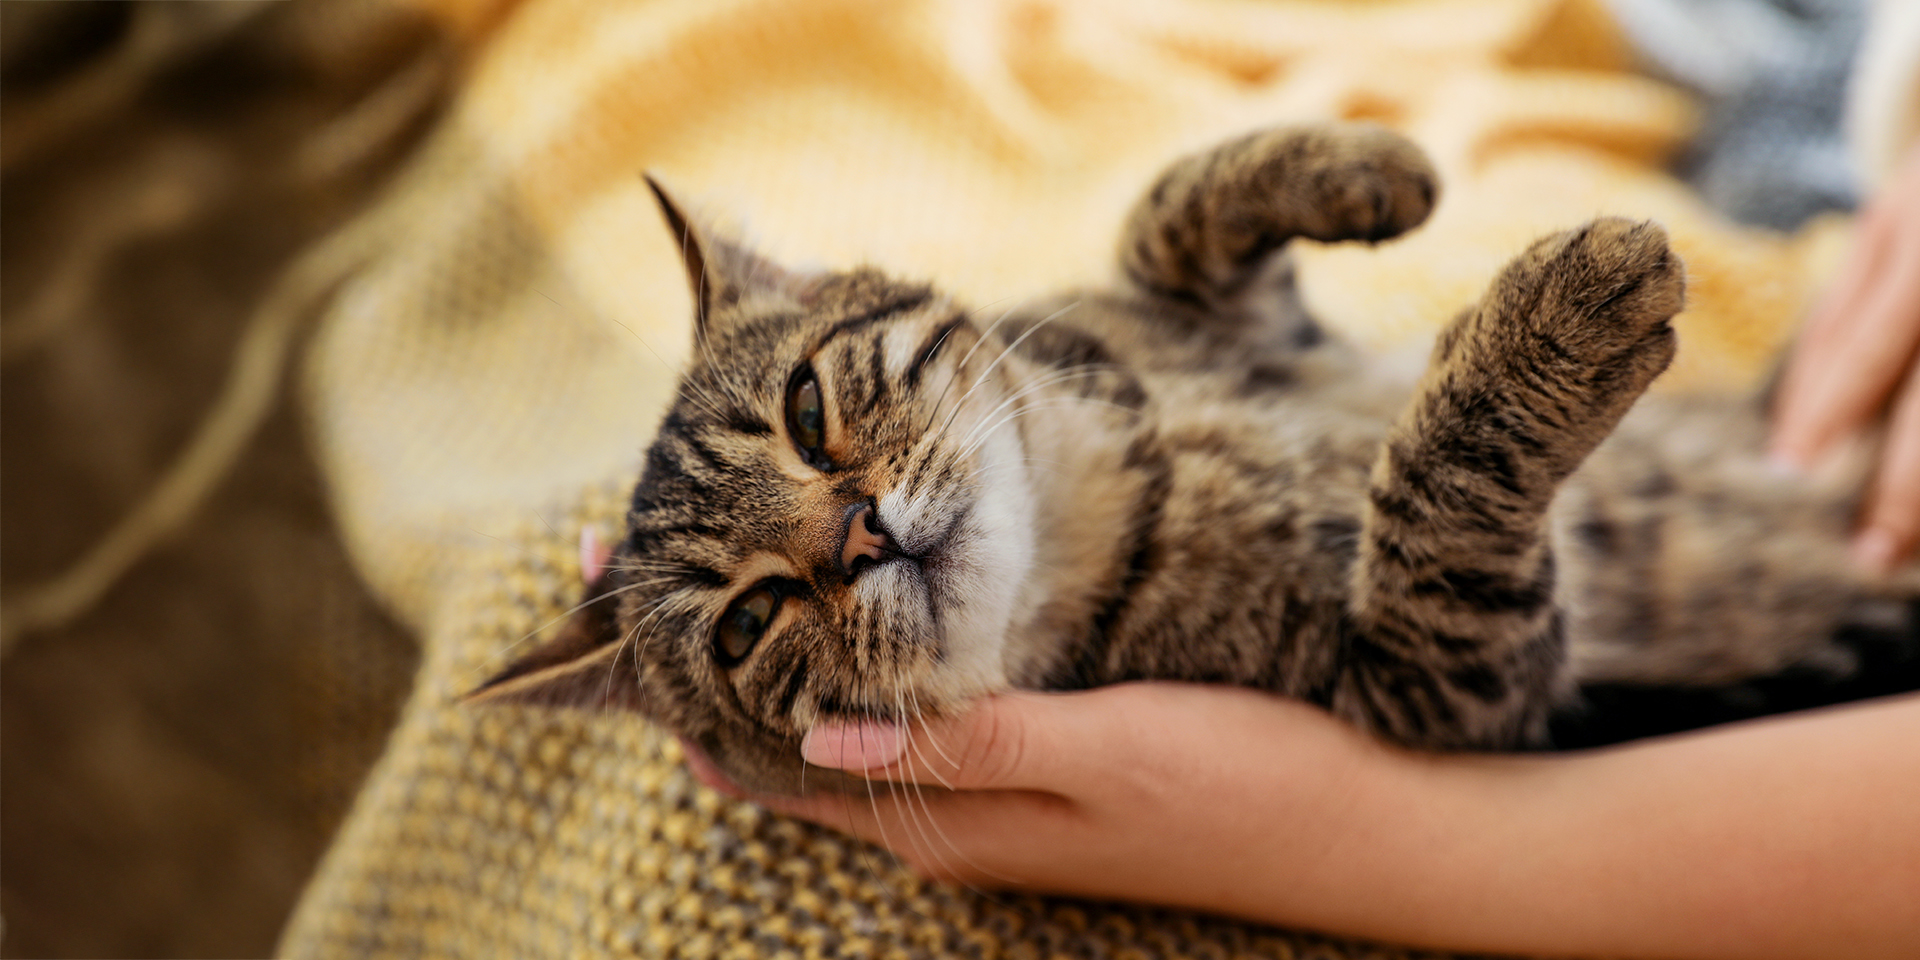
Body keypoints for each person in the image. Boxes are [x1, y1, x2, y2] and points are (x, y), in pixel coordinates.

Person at [706, 143, 1920, 960]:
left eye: (810, 423)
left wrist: (1211, 217)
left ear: (815, 288)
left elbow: (1234, 327)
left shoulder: (1041, 371)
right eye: (749, 614)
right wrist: (1475, 459)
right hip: (1793, 596)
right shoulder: (1123, 649)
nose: (846, 533)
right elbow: (1445, 690)